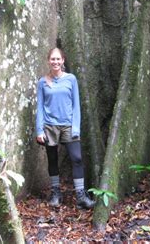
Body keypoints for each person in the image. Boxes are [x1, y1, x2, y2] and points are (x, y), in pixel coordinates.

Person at [35, 47, 95, 209]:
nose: (55, 62)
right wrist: (39, 130)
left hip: (68, 125)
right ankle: (56, 193)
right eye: (52, 59)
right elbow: (40, 107)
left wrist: (76, 128)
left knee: (77, 158)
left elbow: (76, 105)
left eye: (58, 59)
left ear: (63, 61)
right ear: (48, 61)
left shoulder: (71, 79)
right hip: (49, 126)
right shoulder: (42, 82)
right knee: (52, 159)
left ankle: (81, 196)